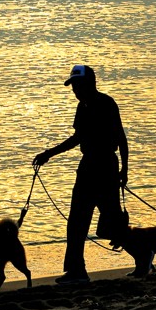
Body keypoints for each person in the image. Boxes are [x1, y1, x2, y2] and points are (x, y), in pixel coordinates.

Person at [33, 64, 129, 284]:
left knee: (112, 224)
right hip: (88, 166)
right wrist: (49, 154)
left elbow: (121, 138)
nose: (74, 89)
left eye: (77, 84)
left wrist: (125, 169)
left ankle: (143, 255)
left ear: (90, 83)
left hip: (105, 166)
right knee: (77, 221)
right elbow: (78, 138)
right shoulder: (82, 107)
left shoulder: (106, 103)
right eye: (73, 85)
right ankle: (77, 271)